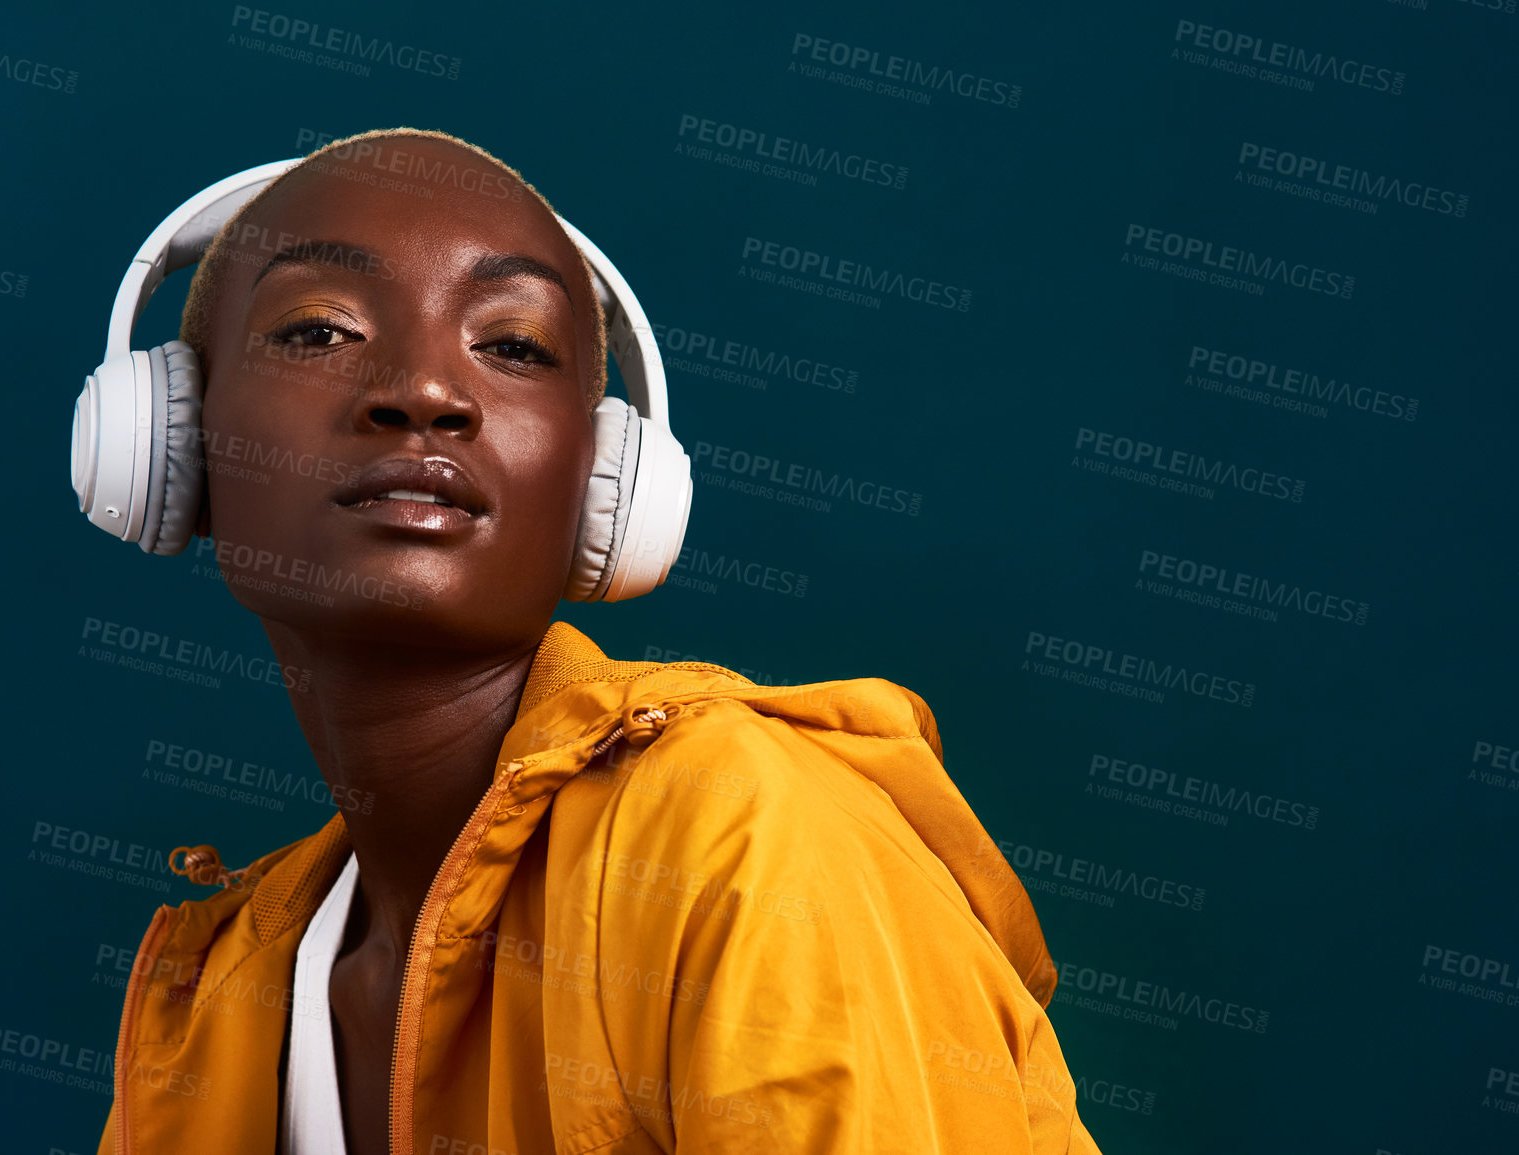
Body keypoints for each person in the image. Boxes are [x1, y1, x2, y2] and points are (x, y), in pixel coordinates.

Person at [91, 127, 1101, 1155]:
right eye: (320, 330)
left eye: (514, 346)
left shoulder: (740, 842)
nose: (424, 392)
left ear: (606, 484)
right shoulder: (221, 998)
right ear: (174, 438)